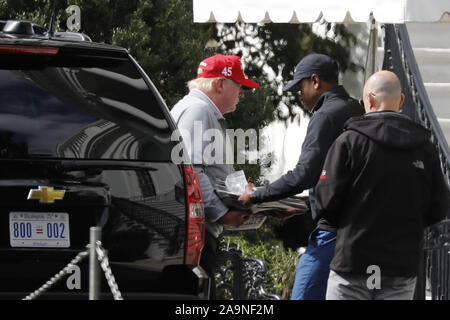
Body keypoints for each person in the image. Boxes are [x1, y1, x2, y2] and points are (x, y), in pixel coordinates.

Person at [239, 53, 364, 299]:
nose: (299, 94)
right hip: (362, 229)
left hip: (333, 234)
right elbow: (340, 177)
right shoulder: (355, 108)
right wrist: (305, 205)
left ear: (315, 81)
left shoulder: (325, 115)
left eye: (301, 86)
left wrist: (256, 196)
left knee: (302, 294)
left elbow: (305, 174)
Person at [316, 70, 450, 300]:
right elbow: (439, 207)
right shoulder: (424, 147)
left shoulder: (348, 141)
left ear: (368, 100)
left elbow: (326, 202)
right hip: (400, 266)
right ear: (401, 101)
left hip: (353, 263)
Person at [170, 54, 259, 299]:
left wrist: (240, 190)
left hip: (194, 232)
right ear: (220, 84)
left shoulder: (194, 109)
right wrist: (222, 213)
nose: (242, 94)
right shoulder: (198, 111)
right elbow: (194, 172)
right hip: (197, 235)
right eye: (239, 86)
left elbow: (202, 170)